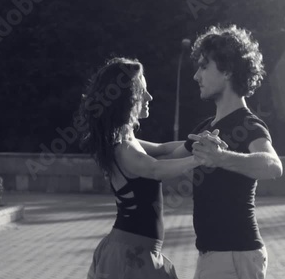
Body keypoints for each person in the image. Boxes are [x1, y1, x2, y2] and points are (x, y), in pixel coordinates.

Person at [139, 25, 283, 279]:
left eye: (204, 66)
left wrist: (222, 158)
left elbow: (273, 165)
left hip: (235, 255)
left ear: (227, 70)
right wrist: (115, 137)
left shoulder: (248, 124)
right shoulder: (206, 129)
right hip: (214, 255)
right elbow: (161, 153)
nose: (196, 75)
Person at [78, 57, 211, 279]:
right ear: (127, 99)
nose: (149, 97)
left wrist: (196, 142)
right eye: (143, 92)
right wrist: (199, 159)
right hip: (130, 256)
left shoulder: (125, 141)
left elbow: (163, 149)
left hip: (134, 251)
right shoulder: (123, 148)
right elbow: (156, 169)